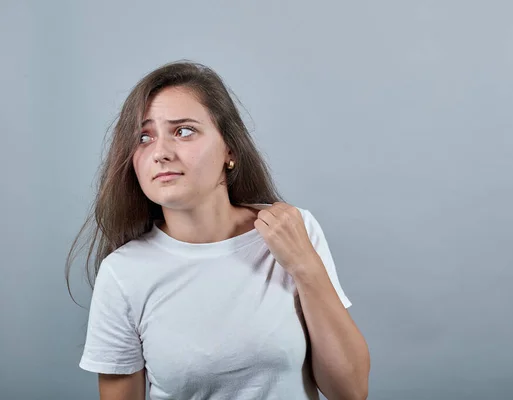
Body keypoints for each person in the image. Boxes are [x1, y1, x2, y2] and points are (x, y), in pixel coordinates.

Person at [66, 60, 370, 400]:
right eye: (143, 136)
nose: (161, 153)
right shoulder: (123, 274)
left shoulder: (293, 229)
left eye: (183, 131)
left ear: (230, 149)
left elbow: (351, 392)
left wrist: (305, 267)